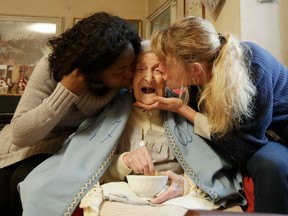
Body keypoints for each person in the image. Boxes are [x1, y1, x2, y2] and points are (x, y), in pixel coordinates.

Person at [19, 40, 246, 216]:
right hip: (122, 198)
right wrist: (124, 162)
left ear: (168, 77)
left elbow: (215, 172)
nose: (148, 77)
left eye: (157, 70)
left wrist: (185, 185)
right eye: (140, 69)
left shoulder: (184, 110)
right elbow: (83, 167)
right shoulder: (110, 111)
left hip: (174, 200)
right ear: (130, 77)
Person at [134, 16, 288, 214]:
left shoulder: (253, 68)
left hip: (280, 135)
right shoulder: (199, 77)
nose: (160, 69)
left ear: (194, 70)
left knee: (270, 163)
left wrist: (183, 110)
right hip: (263, 134)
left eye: (164, 63)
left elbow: (244, 147)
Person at [0, 11, 141, 216]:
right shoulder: (52, 69)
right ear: (93, 69)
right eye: (120, 71)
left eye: (132, 65)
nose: (130, 74)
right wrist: (66, 92)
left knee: (24, 179)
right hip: (27, 144)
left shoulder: (125, 73)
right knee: (5, 182)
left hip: (71, 150)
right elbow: (20, 135)